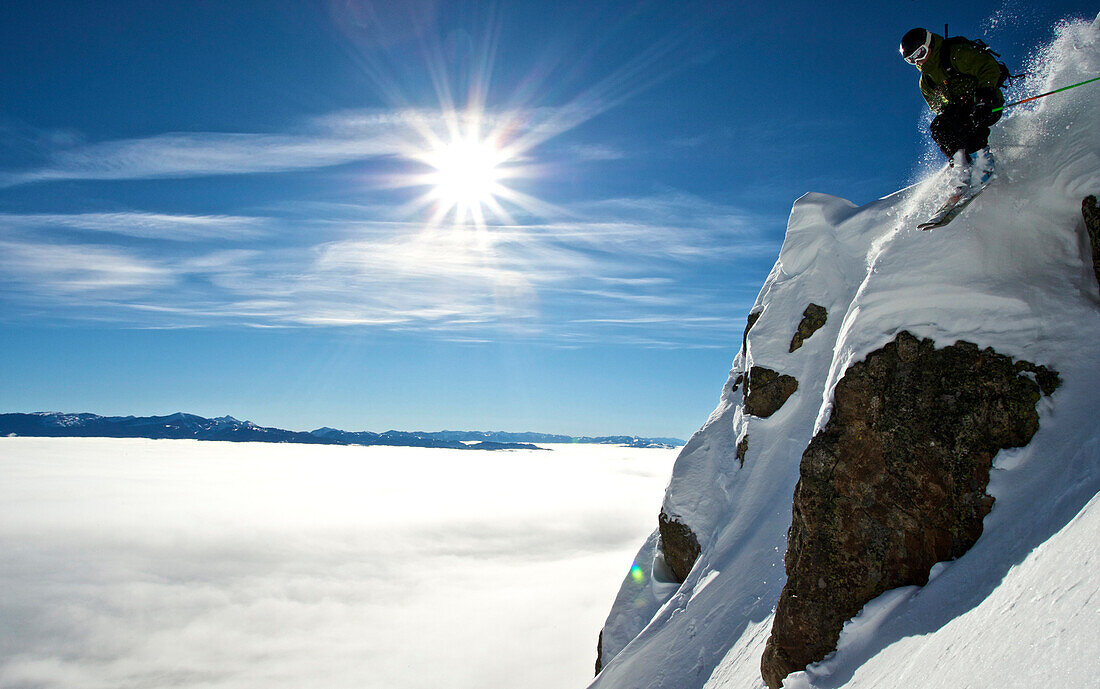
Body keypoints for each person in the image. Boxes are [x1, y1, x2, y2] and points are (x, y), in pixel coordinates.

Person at [900, 28, 1006, 191]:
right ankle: (962, 168)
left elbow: (988, 66)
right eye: (911, 60)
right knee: (939, 127)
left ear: (929, 44)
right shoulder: (926, 82)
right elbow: (939, 109)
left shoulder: (955, 53)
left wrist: (985, 96)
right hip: (960, 111)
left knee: (961, 118)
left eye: (920, 54)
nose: (918, 61)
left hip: (987, 103)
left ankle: (984, 163)